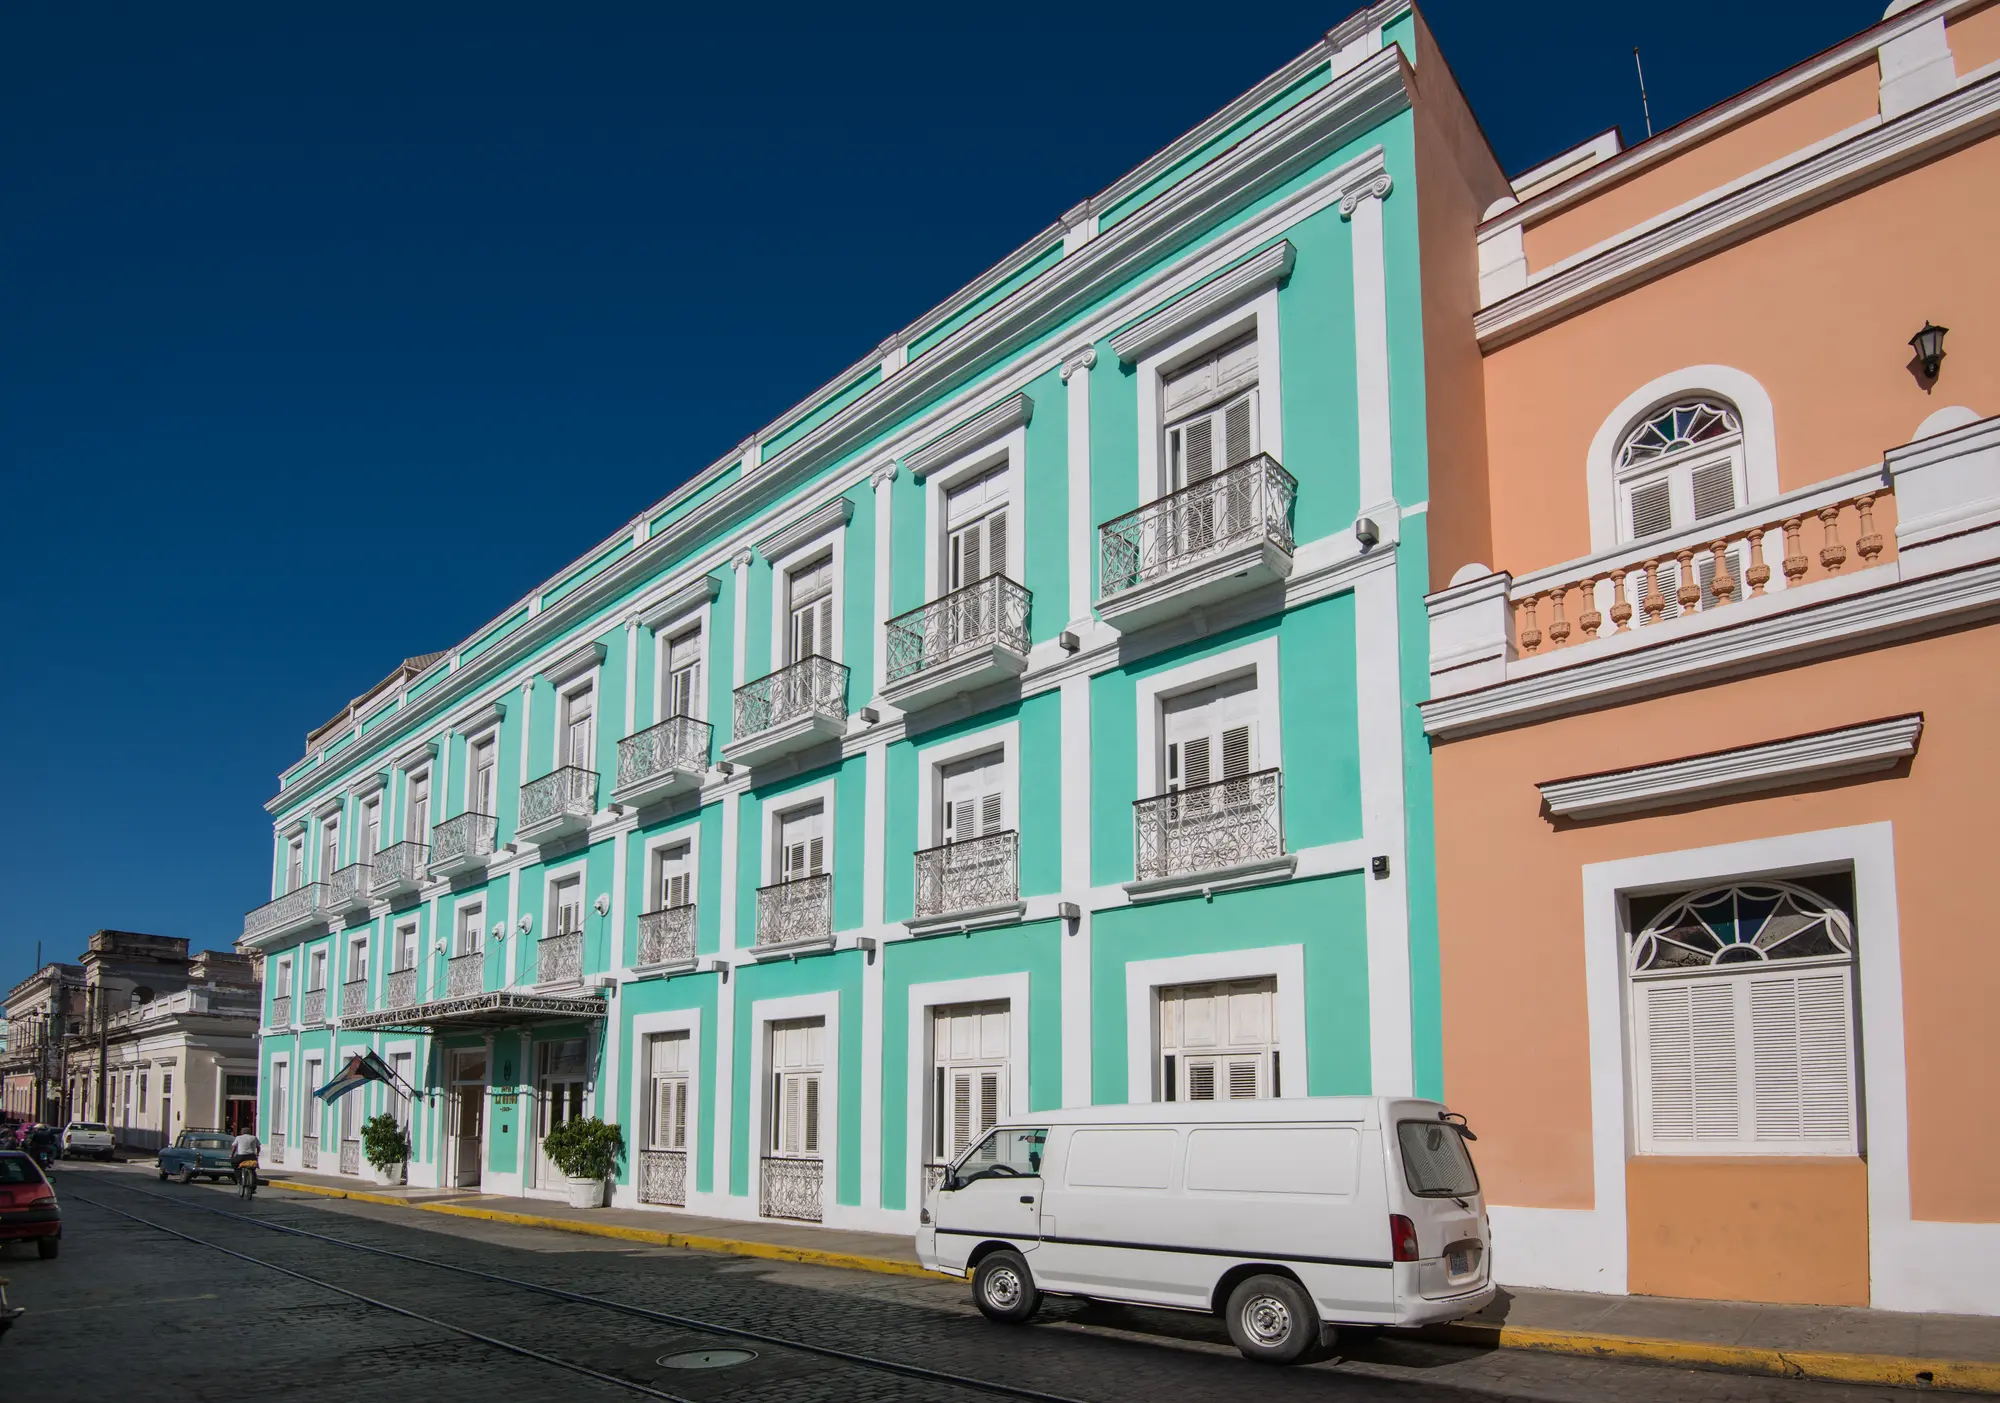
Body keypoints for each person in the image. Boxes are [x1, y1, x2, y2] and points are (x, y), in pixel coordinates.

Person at [230, 1128, 262, 1197]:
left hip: (241, 1156)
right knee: (253, 1170)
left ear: (242, 1132)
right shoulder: (254, 1138)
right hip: (252, 1156)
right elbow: (258, 1147)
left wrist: (231, 1155)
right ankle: (253, 1187)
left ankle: (239, 1179)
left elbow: (234, 1147)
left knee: (235, 1165)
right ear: (250, 1132)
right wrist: (257, 1154)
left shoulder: (238, 1137)